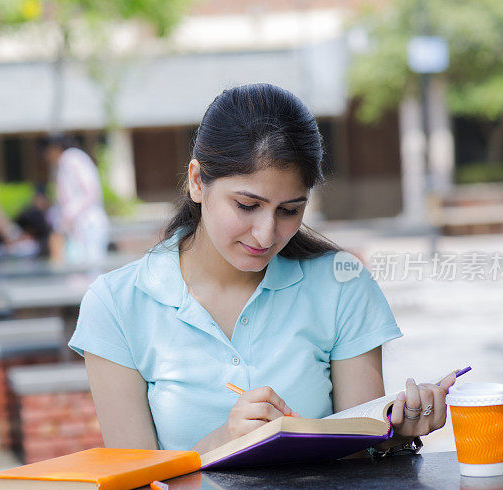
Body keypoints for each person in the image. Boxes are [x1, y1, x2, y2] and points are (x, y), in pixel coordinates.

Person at [67, 84, 458, 454]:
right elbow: (133, 485)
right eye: (247, 205)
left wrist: (395, 433)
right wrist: (223, 441)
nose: (266, 233)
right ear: (197, 181)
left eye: (290, 210)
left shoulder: (342, 284)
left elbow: (361, 449)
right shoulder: (116, 304)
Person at [43, 134, 110, 266]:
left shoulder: (71, 158)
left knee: (89, 271)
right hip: (79, 226)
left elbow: (91, 191)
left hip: (88, 223)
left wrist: (67, 214)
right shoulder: (71, 159)